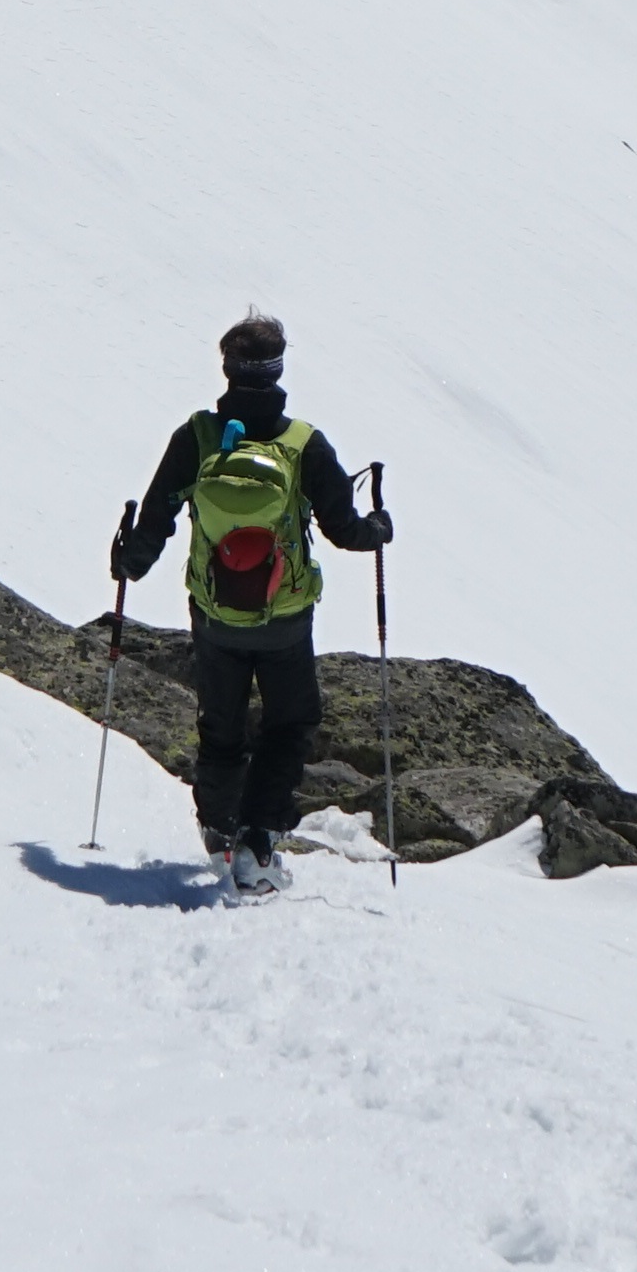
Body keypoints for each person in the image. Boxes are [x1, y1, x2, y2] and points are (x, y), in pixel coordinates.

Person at [109, 311, 389, 886]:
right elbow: (344, 530)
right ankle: (260, 839)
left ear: (228, 370)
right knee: (290, 722)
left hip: (214, 614)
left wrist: (128, 561)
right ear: (278, 369)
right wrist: (378, 528)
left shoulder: (196, 438)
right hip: (285, 617)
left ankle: (219, 831)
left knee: (221, 727)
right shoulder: (303, 443)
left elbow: (158, 516)